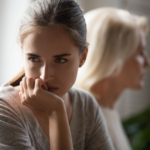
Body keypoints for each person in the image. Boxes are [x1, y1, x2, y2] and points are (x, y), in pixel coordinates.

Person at [0, 1, 114, 150]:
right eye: (34, 58)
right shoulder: (5, 111)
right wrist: (56, 112)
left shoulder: (86, 106)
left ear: (82, 57)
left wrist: (56, 112)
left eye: (60, 60)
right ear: (23, 53)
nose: (45, 76)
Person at [75, 7, 150, 150]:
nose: (147, 63)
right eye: (140, 53)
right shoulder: (86, 117)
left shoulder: (107, 109)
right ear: (114, 58)